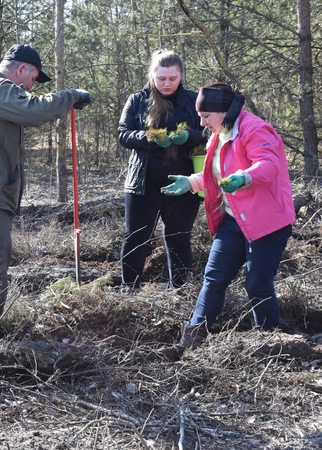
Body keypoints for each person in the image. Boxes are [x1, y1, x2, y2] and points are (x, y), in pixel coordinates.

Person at [0, 43, 92, 333]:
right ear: (21, 69)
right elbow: (34, 110)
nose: (30, 86)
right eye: (32, 78)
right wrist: (71, 96)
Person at [161, 82, 295, 349]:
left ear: (223, 111)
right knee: (214, 278)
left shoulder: (255, 129)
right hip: (234, 221)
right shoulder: (219, 133)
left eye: (205, 116)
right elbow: (217, 173)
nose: (202, 122)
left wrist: (244, 177)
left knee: (257, 284)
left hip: (266, 222)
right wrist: (191, 182)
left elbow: (269, 165)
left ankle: (269, 343)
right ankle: (191, 340)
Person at [118, 49, 205, 289]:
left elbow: (210, 133)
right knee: (136, 237)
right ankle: (128, 290)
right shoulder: (137, 100)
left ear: (181, 75)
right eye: (161, 78)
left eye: (173, 78)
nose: (167, 83)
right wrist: (148, 137)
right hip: (143, 182)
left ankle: (182, 291)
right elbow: (123, 134)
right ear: (152, 75)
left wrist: (189, 136)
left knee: (179, 237)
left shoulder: (193, 100)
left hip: (184, 182)